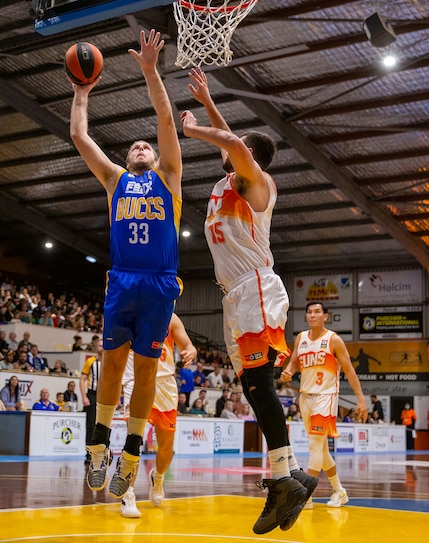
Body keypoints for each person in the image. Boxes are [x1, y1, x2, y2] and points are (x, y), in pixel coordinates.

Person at [182, 67, 312, 534]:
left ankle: (283, 481)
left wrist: (196, 127)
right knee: (254, 389)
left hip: (256, 288)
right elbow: (233, 142)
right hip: (232, 296)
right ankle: (290, 472)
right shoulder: (225, 184)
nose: (228, 149)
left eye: (238, 150)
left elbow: (235, 146)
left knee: (259, 385)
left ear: (251, 159)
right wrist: (210, 101)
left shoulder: (257, 185)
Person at [71, 29, 184, 500]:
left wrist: (151, 71)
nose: (140, 147)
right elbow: (79, 135)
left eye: (146, 147)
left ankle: (132, 452)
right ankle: (98, 445)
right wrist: (81, 93)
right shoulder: (115, 179)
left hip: (159, 284)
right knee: (112, 367)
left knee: (146, 371)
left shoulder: (170, 178)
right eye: (134, 146)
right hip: (122, 281)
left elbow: (164, 117)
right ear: (125, 158)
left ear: (157, 158)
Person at [280, 301, 368, 509]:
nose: (312, 315)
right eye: (309, 312)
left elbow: (349, 370)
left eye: (317, 312)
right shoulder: (300, 338)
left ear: (325, 316)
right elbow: (294, 361)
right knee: (320, 449)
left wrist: (361, 399)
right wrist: (289, 371)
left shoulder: (333, 340)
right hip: (305, 397)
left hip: (326, 396)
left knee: (314, 445)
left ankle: (306, 495)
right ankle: (340, 491)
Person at [118, 313, 197, 519]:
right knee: (133, 440)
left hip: (164, 384)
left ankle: (158, 476)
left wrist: (190, 350)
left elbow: (188, 344)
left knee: (166, 446)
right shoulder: (128, 308)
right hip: (134, 381)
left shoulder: (170, 317)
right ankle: (128, 493)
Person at [80, 347, 102, 461]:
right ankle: (89, 453)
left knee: (103, 425)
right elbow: (82, 379)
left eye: (103, 345)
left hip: (105, 395)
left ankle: (101, 452)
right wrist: (84, 396)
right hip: (92, 394)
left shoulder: (109, 360)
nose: (101, 348)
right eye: (99, 345)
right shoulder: (90, 361)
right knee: (90, 425)